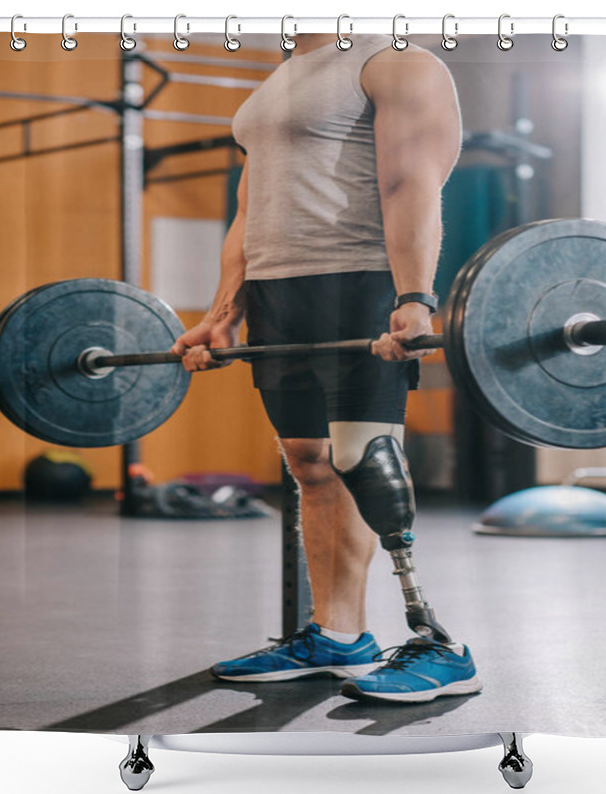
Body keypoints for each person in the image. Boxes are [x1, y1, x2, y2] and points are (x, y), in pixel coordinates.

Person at [171, 33, 481, 703]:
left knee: (363, 458)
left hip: (360, 280)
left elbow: (411, 180)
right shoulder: (278, 81)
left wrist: (412, 297)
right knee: (310, 463)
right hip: (282, 294)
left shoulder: (394, 60)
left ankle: (440, 644)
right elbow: (249, 210)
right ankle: (340, 636)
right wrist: (225, 311)